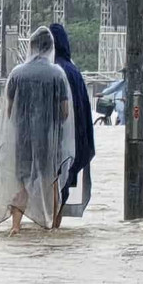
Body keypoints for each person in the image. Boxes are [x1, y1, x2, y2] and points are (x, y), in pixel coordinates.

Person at [0, 27, 75, 236]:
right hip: (48, 139)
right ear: (50, 48)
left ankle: (15, 226)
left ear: (31, 46)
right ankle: (51, 225)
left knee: (22, 181)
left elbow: (10, 111)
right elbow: (65, 112)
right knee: (51, 181)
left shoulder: (17, 73)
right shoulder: (57, 74)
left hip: (22, 139)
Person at [50, 23, 95, 227]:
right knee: (63, 184)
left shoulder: (53, 70)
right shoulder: (73, 70)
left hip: (53, 139)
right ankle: (55, 227)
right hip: (75, 139)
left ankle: (48, 227)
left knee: (50, 182)